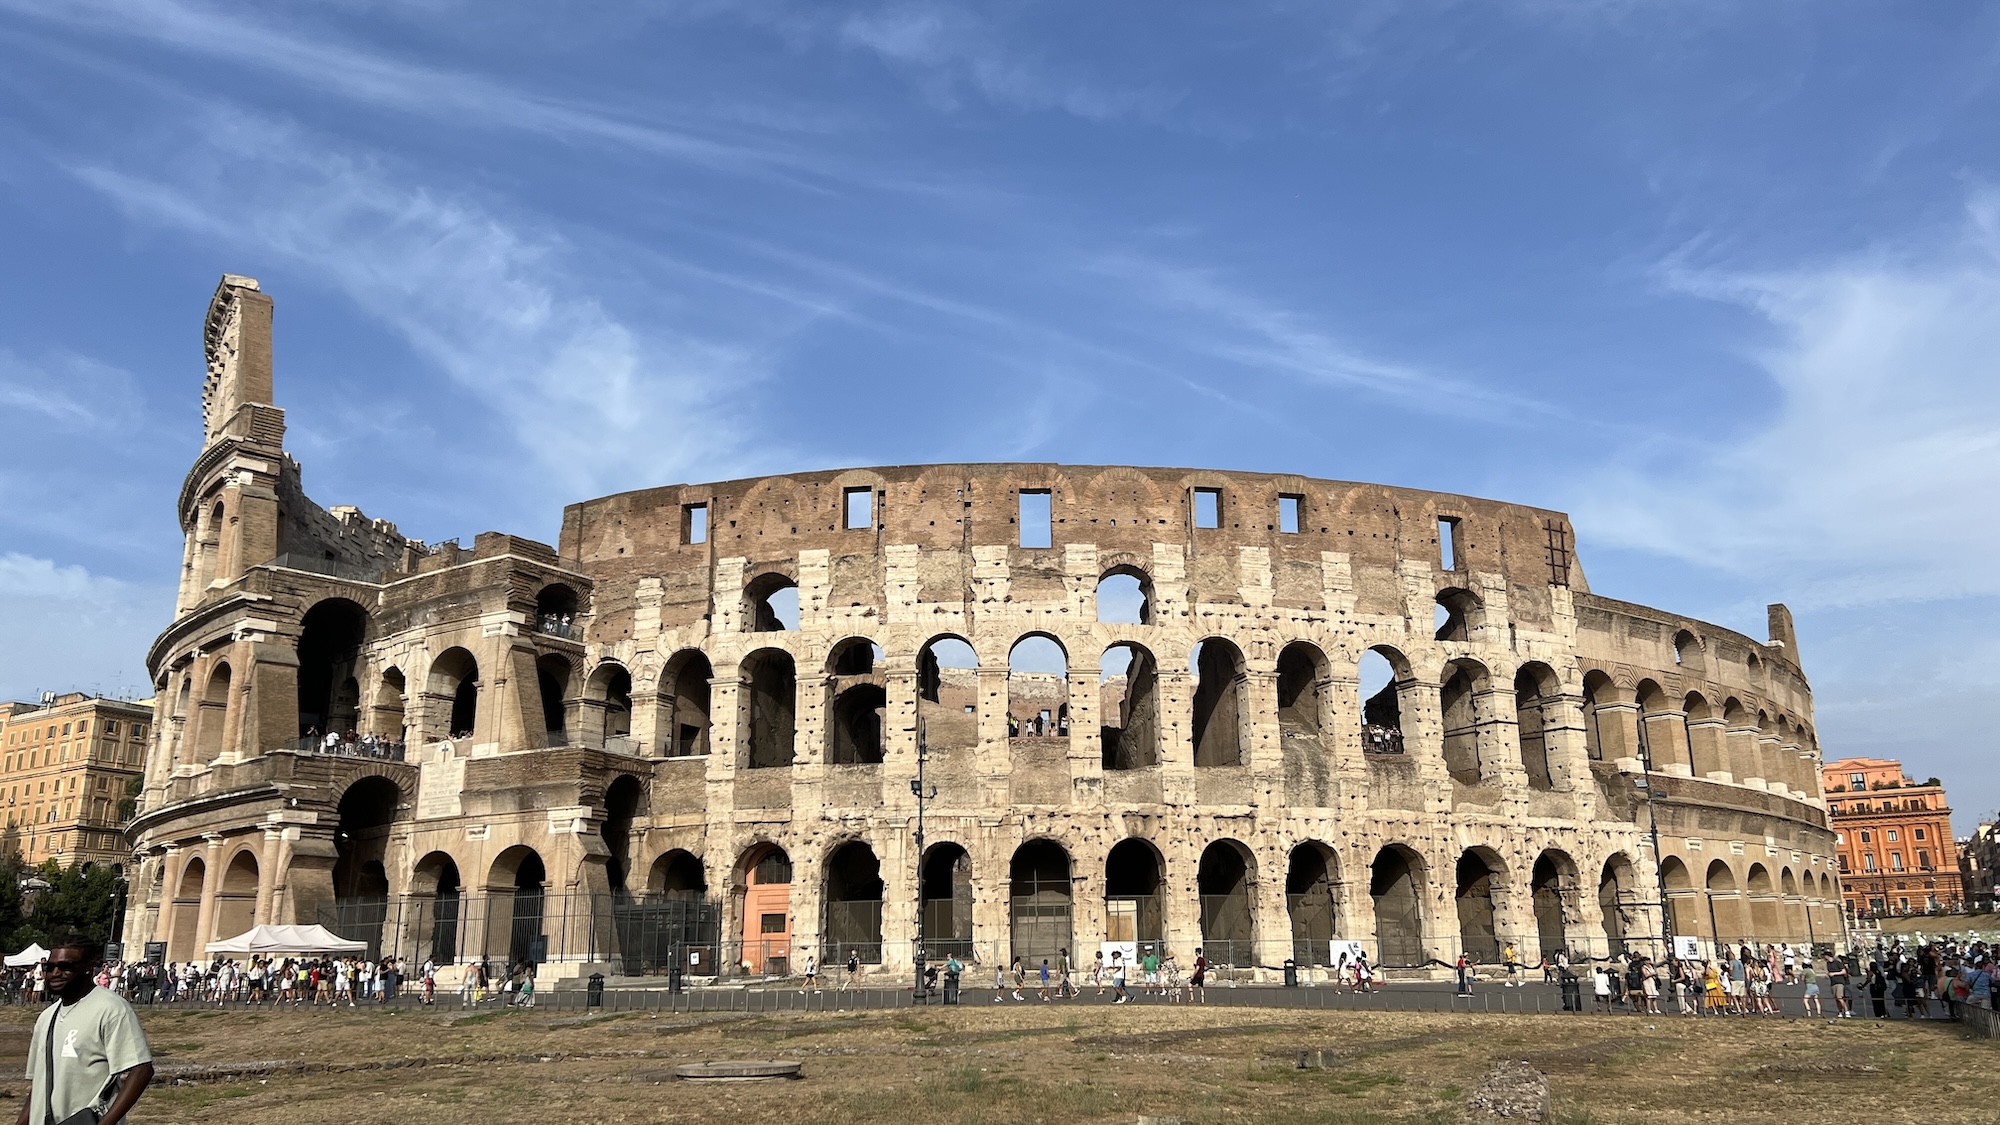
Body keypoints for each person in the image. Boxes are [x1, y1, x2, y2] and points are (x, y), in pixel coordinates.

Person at [20, 939, 154, 1125]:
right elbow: (39, 1084)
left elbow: (142, 1070)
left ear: (88, 968)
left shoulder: (110, 1008)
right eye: (49, 967)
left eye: (66, 966)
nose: (55, 973)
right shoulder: (46, 1017)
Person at [1825, 952, 1852, 1018]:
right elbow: (1829, 972)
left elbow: (1844, 972)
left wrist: (1834, 973)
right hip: (1833, 982)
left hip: (1840, 982)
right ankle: (1840, 1011)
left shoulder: (1837, 962)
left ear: (1828, 956)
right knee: (1836, 999)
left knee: (1840, 997)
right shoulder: (1828, 964)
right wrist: (1828, 975)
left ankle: (1847, 1011)